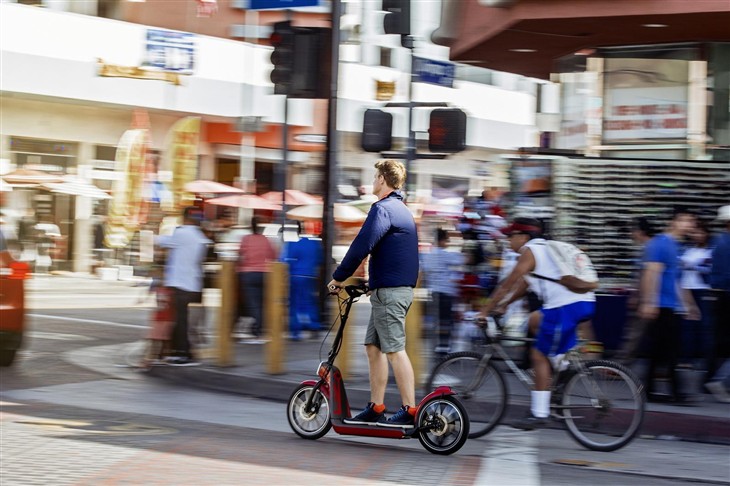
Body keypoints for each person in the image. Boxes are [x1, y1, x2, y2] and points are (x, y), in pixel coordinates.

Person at [480, 217, 596, 429]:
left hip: (565, 307)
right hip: (582, 302)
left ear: (523, 237)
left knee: (538, 354)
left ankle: (539, 413)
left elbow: (509, 283)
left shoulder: (530, 251)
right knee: (534, 319)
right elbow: (524, 285)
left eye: (510, 236)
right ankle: (562, 365)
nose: (508, 241)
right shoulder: (544, 251)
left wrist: (485, 310)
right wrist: (504, 305)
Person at [328, 159, 420, 428]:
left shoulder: (383, 209)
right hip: (388, 291)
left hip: (390, 294)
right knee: (373, 347)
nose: (372, 181)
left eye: (375, 177)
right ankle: (376, 406)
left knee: (394, 350)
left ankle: (410, 408)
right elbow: (393, 254)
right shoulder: (402, 210)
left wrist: (338, 278)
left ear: (382, 180)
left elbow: (361, 246)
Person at [640, 207, 700, 403]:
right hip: (661, 306)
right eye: (685, 220)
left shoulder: (677, 247)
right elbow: (651, 273)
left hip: (672, 306)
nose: (689, 225)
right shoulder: (660, 244)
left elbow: (677, 281)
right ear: (673, 221)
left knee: (661, 351)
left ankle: (649, 391)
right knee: (669, 351)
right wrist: (649, 302)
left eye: (691, 221)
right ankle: (675, 392)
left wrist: (690, 304)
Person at [156, 206, 212, 366]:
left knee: (180, 320)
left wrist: (156, 227)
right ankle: (175, 351)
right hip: (194, 283)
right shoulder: (199, 235)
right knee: (184, 319)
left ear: (184, 217)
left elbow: (160, 241)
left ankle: (183, 353)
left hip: (179, 283)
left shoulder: (181, 233)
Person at [615, 216, 656, 364]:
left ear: (640, 231)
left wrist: (638, 296)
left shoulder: (649, 248)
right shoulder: (649, 247)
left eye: (633, 230)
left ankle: (621, 364)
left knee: (633, 332)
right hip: (650, 297)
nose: (631, 234)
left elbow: (645, 275)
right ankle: (661, 367)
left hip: (646, 297)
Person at [422, 228, 464, 354]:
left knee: (437, 321)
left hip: (434, 293)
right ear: (441, 241)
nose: (448, 243)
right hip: (446, 293)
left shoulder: (428, 256)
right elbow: (462, 260)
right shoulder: (445, 254)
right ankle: (444, 348)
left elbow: (425, 272)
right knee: (446, 321)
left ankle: (438, 347)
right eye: (447, 240)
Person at [280, 221, 323, 341]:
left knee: (294, 304)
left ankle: (295, 332)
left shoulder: (291, 245)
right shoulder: (314, 245)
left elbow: (285, 261)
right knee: (310, 302)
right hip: (310, 276)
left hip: (295, 277)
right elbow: (319, 260)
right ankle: (314, 325)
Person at [237, 216, 276, 344]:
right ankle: (260, 328)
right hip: (264, 274)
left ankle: (258, 330)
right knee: (262, 303)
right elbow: (273, 255)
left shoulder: (246, 239)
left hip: (248, 274)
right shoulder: (266, 240)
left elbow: (240, 255)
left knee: (253, 304)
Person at [706, 205, 730, 403]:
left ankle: (715, 379)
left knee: (718, 340)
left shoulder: (719, 242)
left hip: (720, 296)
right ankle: (720, 382)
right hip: (726, 296)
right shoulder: (726, 244)